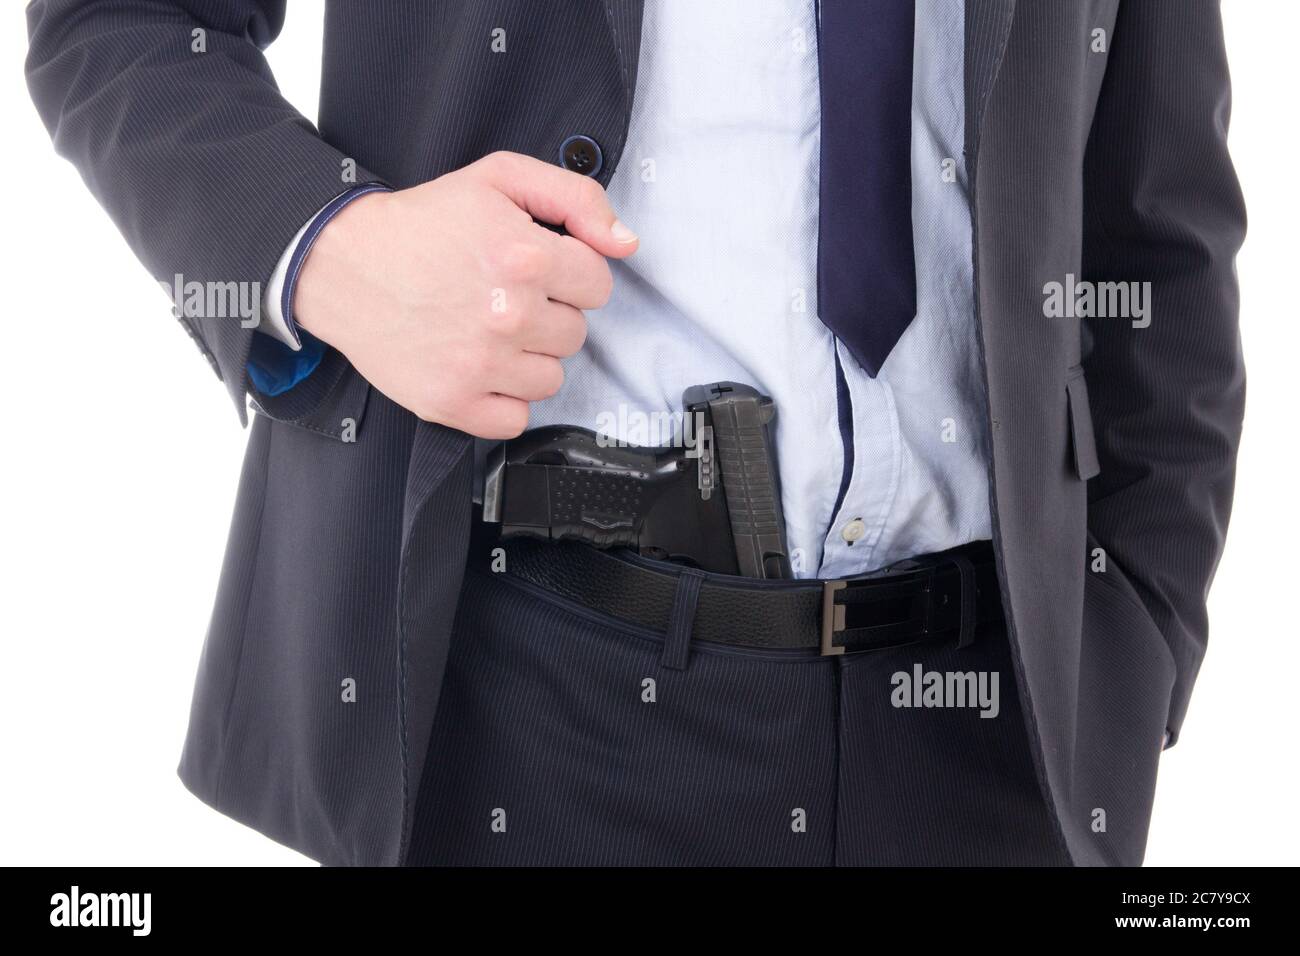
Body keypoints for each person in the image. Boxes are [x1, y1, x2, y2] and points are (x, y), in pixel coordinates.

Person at [26, 0, 1245, 866]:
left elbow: (1158, 217)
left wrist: (1139, 636)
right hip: (545, 710)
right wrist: (334, 252)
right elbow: (118, 17)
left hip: (994, 738)